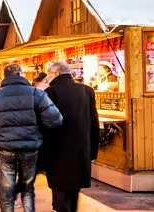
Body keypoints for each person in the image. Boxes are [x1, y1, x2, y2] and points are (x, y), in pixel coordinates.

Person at [0, 64, 63, 212]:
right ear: (21, 74)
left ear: (5, 76)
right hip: (30, 149)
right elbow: (55, 120)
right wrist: (38, 130)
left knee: (6, 193)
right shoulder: (36, 94)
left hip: (5, 149)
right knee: (27, 189)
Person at [42, 61, 99, 212]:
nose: (48, 77)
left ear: (56, 74)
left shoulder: (50, 93)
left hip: (57, 149)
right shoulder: (87, 91)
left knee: (59, 188)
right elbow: (94, 122)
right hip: (81, 148)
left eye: (49, 74)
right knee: (75, 188)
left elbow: (45, 125)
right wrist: (93, 150)